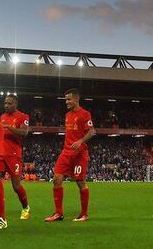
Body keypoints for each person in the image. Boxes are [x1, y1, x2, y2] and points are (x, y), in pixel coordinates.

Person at [45, 88, 95, 222]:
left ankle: (84, 214)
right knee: (56, 179)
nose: (66, 102)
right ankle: (58, 213)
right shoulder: (67, 115)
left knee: (80, 182)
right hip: (66, 152)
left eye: (68, 99)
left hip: (80, 153)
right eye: (65, 99)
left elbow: (91, 131)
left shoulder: (85, 114)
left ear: (76, 99)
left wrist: (81, 141)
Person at [0, 94, 30, 221]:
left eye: (9, 103)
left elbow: (25, 132)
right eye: (5, 103)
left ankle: (26, 208)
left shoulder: (23, 116)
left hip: (14, 155)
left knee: (16, 186)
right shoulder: (2, 116)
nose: (6, 105)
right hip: (0, 154)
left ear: (15, 104)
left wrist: (10, 128)